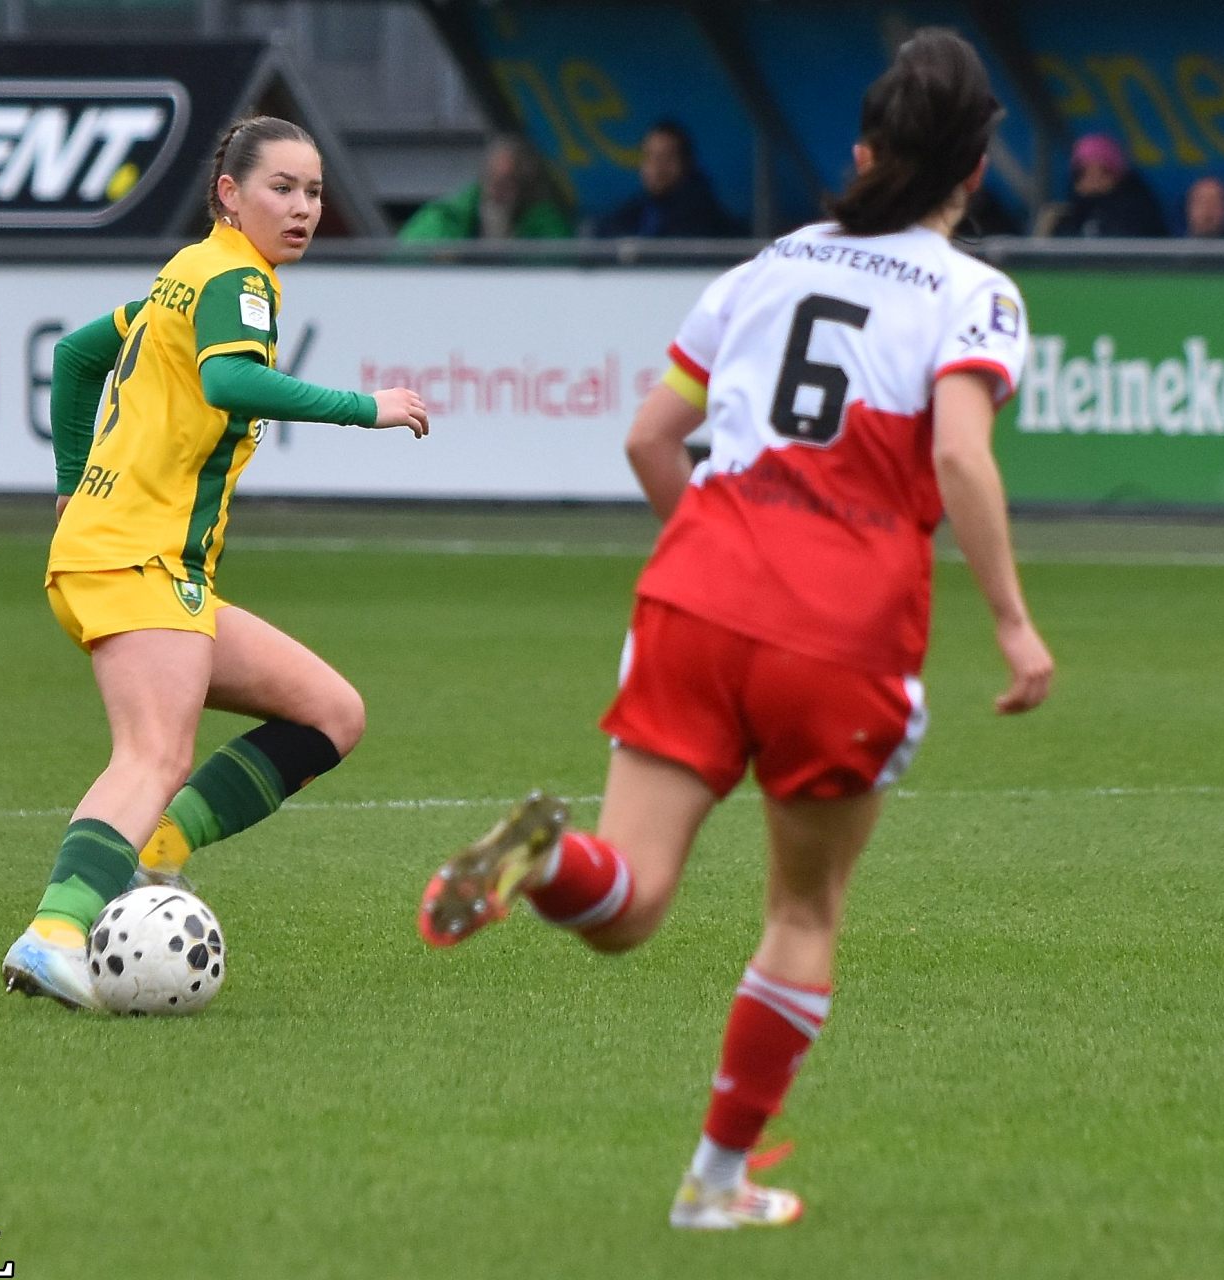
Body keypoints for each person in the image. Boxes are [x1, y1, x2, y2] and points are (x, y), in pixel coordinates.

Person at [415, 29, 1054, 1230]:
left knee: (632, 898)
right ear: (974, 169)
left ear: (865, 152)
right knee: (800, 914)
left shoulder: (770, 265)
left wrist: (708, 561)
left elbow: (650, 439)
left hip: (698, 589)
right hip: (840, 625)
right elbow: (962, 453)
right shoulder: (975, 293)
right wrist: (1016, 626)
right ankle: (714, 1184)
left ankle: (546, 862)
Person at [2, 115, 431, 1009]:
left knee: (329, 714)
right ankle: (54, 931)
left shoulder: (188, 273)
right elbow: (230, 381)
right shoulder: (236, 276)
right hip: (138, 559)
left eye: (314, 191)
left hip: (145, 561)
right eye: (282, 187)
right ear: (229, 195)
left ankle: (154, 855)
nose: (304, 207)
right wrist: (368, 407)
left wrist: (73, 485)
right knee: (154, 754)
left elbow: (79, 357)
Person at [397, 134, 574, 240]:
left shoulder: (546, 226)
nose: (497, 191)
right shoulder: (448, 216)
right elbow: (405, 255)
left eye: (510, 182)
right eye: (492, 179)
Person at [594, 119, 744, 238]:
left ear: (685, 163)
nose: (657, 167)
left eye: (666, 158)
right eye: (650, 157)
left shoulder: (702, 213)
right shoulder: (640, 207)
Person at [1047, 132, 1167, 238]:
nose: (1093, 179)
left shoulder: (1137, 213)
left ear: (1119, 175)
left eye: (1104, 171)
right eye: (1082, 172)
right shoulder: (1066, 215)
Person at [1182, 174, 1224, 238]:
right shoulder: (1175, 246)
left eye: (1214, 203)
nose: (1208, 209)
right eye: (1202, 202)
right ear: (1189, 208)